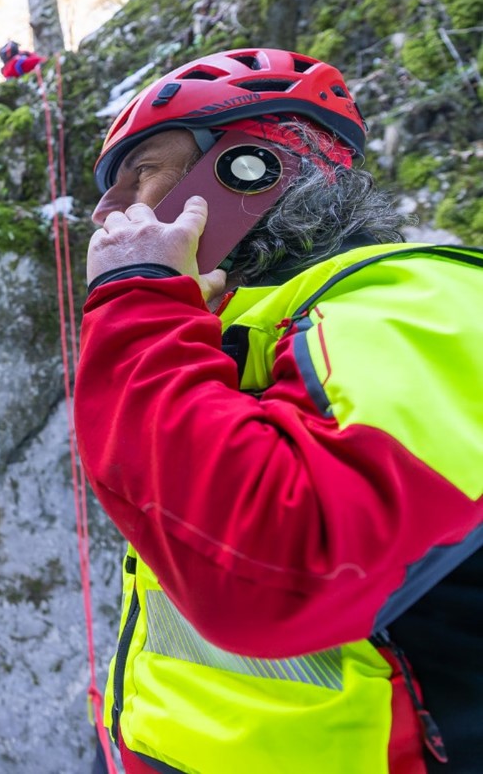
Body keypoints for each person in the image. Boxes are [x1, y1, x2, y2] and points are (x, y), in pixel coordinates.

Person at [75, 48, 482, 773]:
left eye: (143, 171)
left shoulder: (420, 305)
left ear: (252, 171)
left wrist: (137, 300)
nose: (106, 210)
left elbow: (275, 571)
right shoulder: (236, 342)